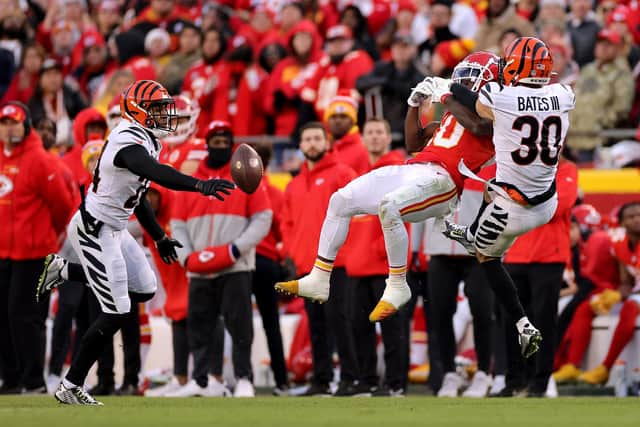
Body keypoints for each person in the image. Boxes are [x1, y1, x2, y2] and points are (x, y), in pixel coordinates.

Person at [35, 80, 236, 405]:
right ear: (138, 111)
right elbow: (155, 173)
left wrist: (158, 237)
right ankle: (70, 384)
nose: (163, 115)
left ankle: (65, 271)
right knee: (116, 310)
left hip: (115, 229)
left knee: (144, 289)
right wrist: (201, 185)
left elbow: (138, 195)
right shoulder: (127, 140)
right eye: (156, 109)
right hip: (93, 229)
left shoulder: (146, 139)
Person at [275, 52, 498, 324]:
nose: (464, 81)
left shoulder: (495, 119)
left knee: (389, 206)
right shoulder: (452, 119)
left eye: (472, 76)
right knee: (341, 199)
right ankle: (320, 276)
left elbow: (479, 126)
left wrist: (448, 97)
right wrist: (414, 104)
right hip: (417, 169)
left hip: (445, 184)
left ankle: (397, 284)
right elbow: (414, 143)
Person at [438, 36, 575, 358]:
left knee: (485, 257)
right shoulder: (563, 93)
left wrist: (447, 86)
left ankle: (522, 324)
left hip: (517, 206)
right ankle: (471, 229)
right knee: (491, 186)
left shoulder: (502, 96)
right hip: (546, 199)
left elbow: (475, 108)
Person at [169, 120, 272, 398]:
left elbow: (263, 218)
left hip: (235, 266)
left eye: (225, 143)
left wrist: (238, 249)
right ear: (206, 145)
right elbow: (176, 223)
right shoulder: (191, 181)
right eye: (215, 143)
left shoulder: (246, 176)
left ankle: (243, 378)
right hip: (199, 268)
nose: (221, 148)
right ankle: (201, 380)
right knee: (199, 324)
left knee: (239, 324)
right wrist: (187, 256)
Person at [0, 101, 75, 394]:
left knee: (26, 317)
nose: (9, 128)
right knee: (3, 316)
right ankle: (11, 378)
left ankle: (34, 381)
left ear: (26, 124)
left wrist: (50, 236)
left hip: (33, 254)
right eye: (4, 123)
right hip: (4, 252)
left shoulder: (41, 160)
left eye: (14, 122)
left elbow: (62, 205)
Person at [279, 122, 358, 396]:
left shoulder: (342, 174)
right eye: (307, 139)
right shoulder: (294, 185)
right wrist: (293, 250)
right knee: (317, 325)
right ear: (300, 145)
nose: (312, 143)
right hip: (306, 266)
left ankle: (350, 378)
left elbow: (357, 215)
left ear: (327, 143)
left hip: (337, 264)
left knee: (341, 321)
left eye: (316, 138)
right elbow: (286, 223)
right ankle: (321, 379)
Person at [344, 117, 408, 396]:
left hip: (385, 266)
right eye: (370, 132)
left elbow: (403, 214)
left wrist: (382, 250)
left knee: (392, 330)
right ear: (363, 138)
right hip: (358, 265)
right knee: (360, 328)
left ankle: (395, 384)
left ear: (387, 137)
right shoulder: (359, 174)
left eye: (380, 132)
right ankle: (368, 380)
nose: (374, 137)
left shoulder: (398, 172)